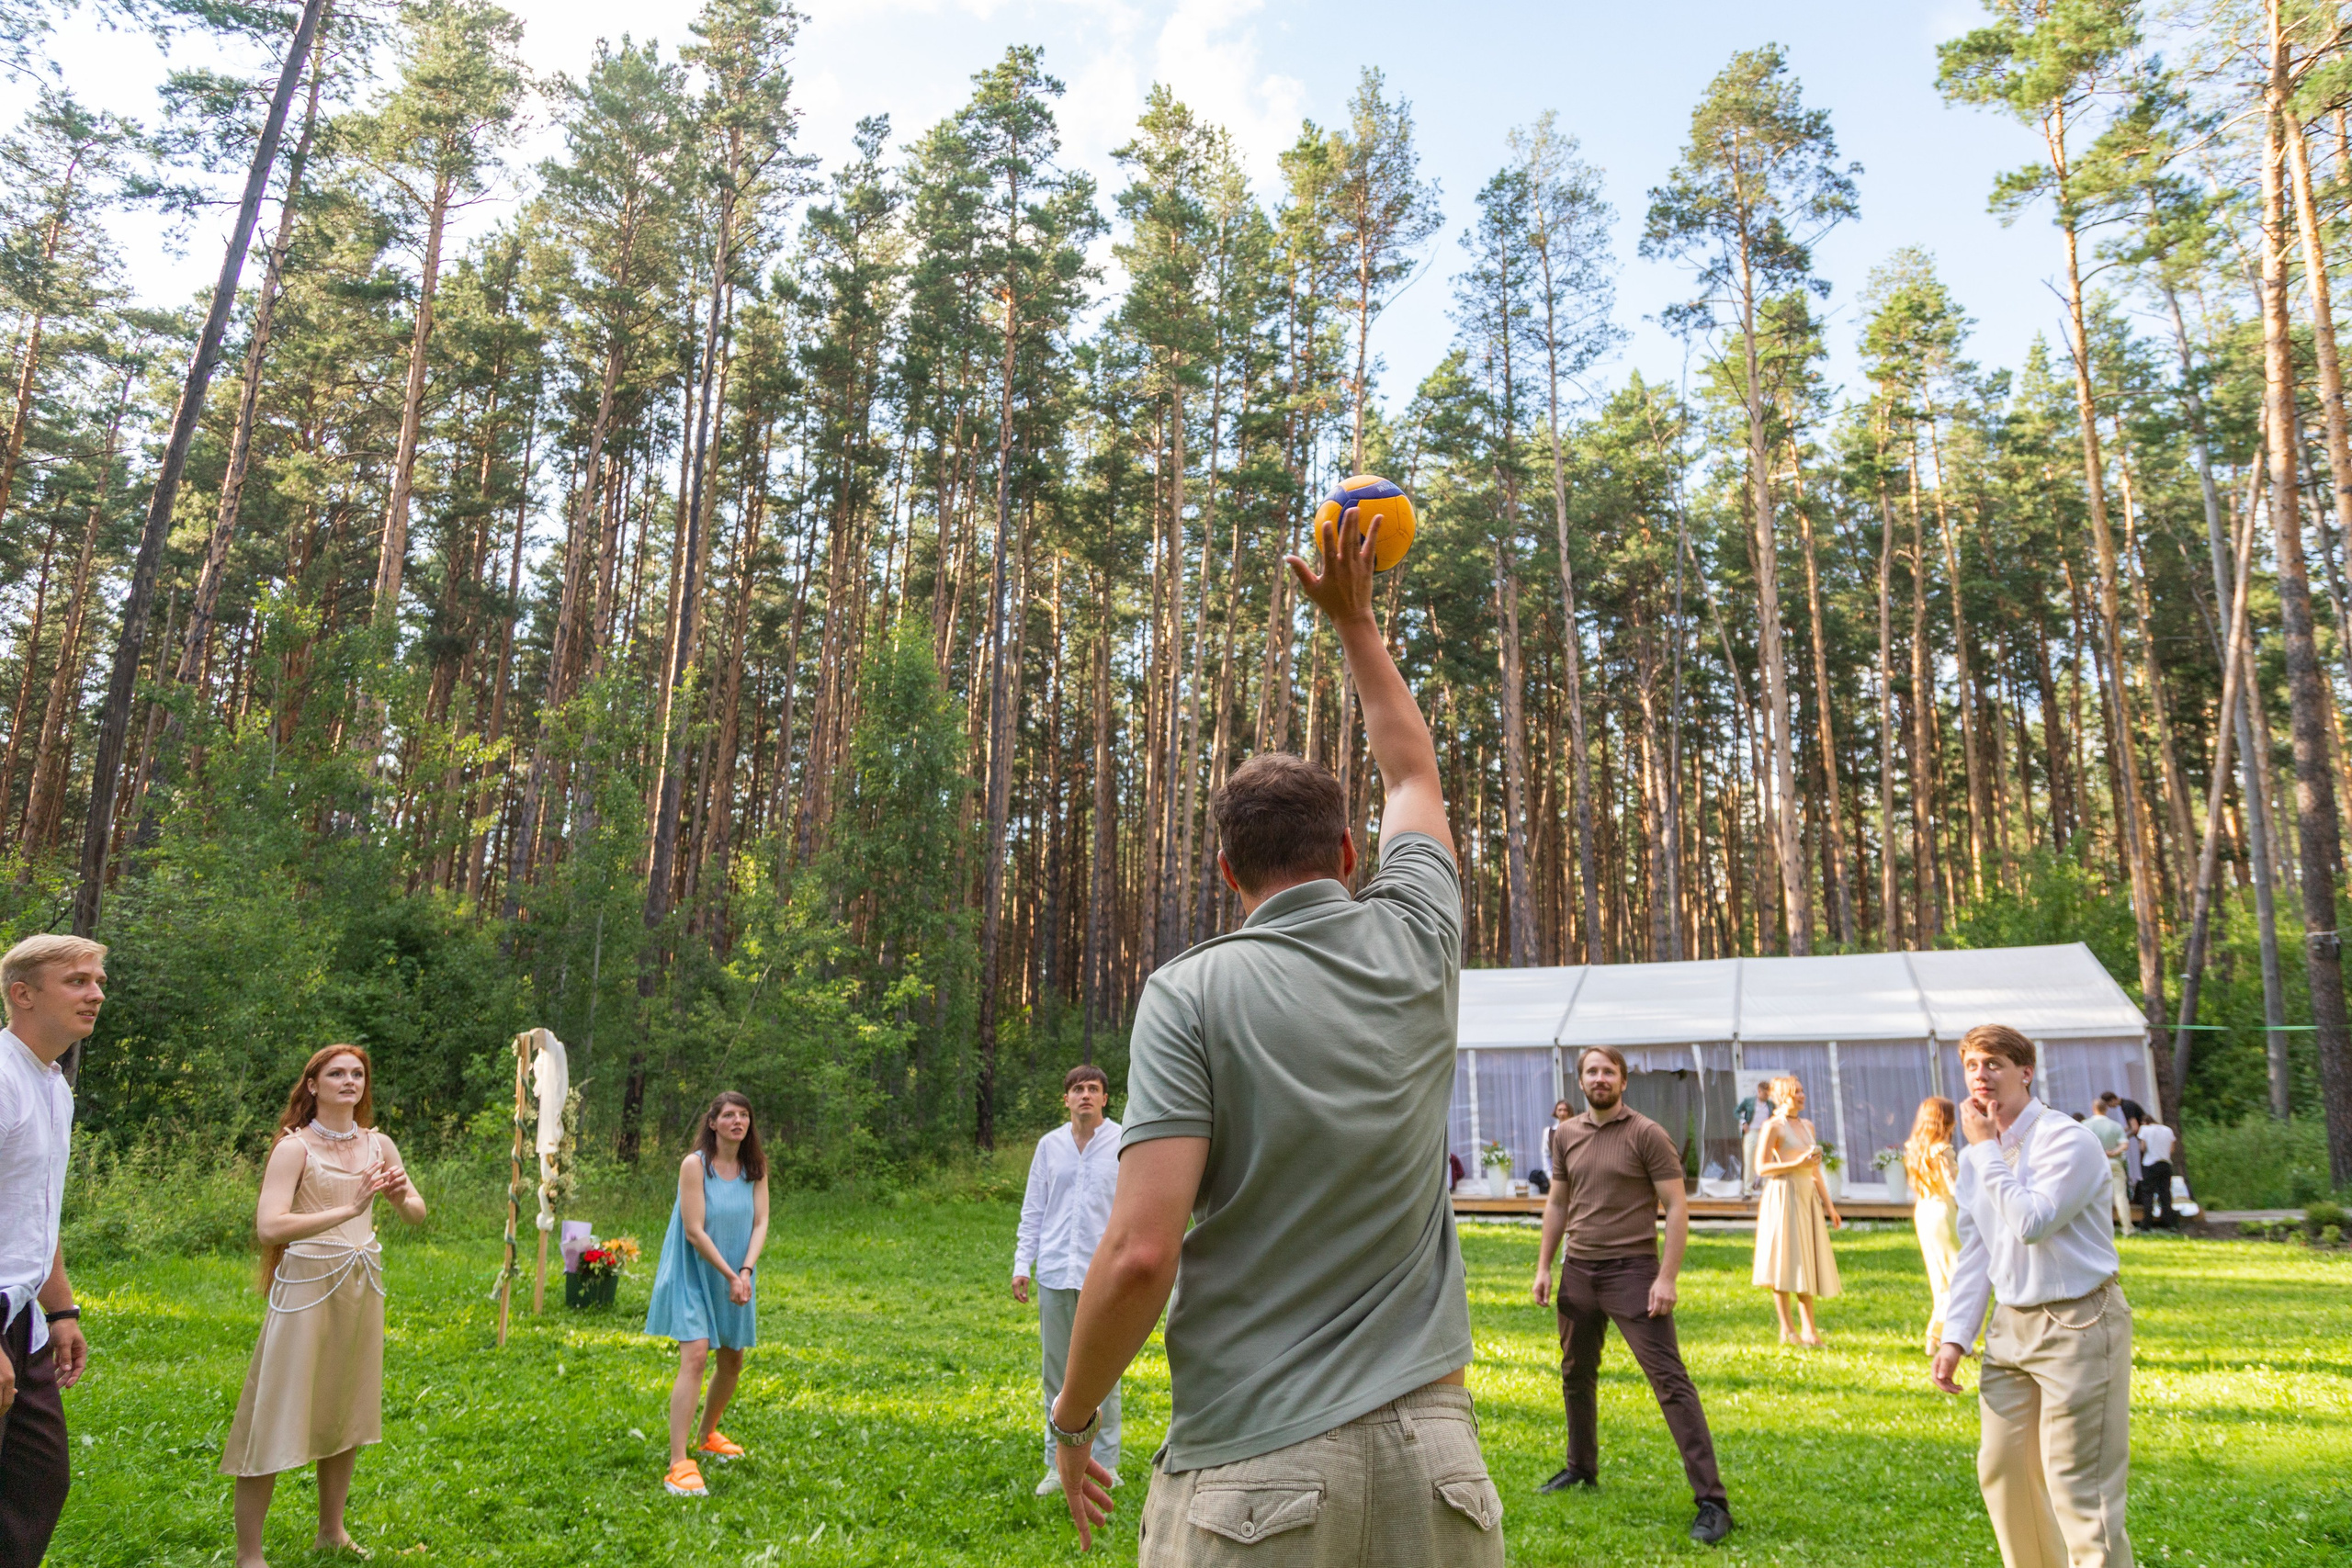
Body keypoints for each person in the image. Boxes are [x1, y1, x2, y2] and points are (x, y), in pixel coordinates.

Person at [1042, 505, 1502, 1564]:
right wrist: (1355, 627)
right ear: (1348, 850)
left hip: (1256, 1467)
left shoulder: (1189, 994)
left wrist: (1073, 1418)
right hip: (1439, 1465)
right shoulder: (1418, 935)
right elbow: (1413, 775)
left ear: (1225, 873)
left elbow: (1143, 1249)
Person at [1932, 1024, 2131, 1568]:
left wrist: (1983, 1151)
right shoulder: (1977, 1157)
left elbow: (2030, 1222)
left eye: (1994, 1064)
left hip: (2080, 1324)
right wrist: (1956, 1335)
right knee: (2002, 1472)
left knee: (2079, 1488)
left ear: (2026, 1071)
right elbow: (1977, 1250)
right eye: (1972, 1066)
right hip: (2009, 1328)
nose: (1981, 1077)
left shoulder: (2066, 1139)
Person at [222, 1044, 428, 1566]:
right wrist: (350, 1206)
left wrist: (402, 1195)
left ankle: (331, 1531)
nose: (349, 1081)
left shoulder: (379, 1144)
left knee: (347, 1409)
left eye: (357, 1073)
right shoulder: (295, 1148)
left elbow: (416, 1215)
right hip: (306, 1287)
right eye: (336, 1073)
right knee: (274, 1410)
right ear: (312, 1084)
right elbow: (270, 1226)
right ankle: (250, 1554)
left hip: (362, 1287)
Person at [1532, 1045, 1732, 1546]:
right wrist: (1543, 1267)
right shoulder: (1567, 1135)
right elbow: (1558, 1202)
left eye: (1609, 1071)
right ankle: (1581, 1468)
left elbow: (1677, 1206)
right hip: (1579, 1271)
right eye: (1591, 1071)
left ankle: (1712, 1501)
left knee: (1670, 1382)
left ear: (1623, 1081)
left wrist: (1666, 1277)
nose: (1600, 1078)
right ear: (1581, 1081)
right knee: (1576, 1373)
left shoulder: (1646, 1133)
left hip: (1633, 1274)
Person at [0, 935, 102, 1565]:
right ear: (23, 993)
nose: (94, 993)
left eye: (97, 980)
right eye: (76, 980)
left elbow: (38, 1209)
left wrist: (60, 1310)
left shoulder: (54, 1084)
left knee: (39, 1476)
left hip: (23, 1318)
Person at [643, 1092, 771, 1498]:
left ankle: (708, 1434)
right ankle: (678, 1463)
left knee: (732, 1358)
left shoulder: (755, 1168)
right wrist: (733, 1274)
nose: (738, 1121)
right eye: (729, 1115)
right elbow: (694, 1231)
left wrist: (745, 1272)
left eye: (744, 1115)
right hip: (695, 1270)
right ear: (712, 1123)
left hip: (736, 1274)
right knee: (697, 1354)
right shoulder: (694, 1166)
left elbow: (761, 1222)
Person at [1014, 1065, 1123, 1496]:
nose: (1085, 1096)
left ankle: (1108, 1463)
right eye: (1077, 1089)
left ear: (1104, 1099)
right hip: (1057, 1271)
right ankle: (1055, 1465)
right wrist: (1023, 1263)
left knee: (1106, 1374)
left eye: (1093, 1089)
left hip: (1105, 1275)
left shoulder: (1121, 1142)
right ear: (1066, 1099)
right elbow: (1033, 1209)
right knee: (1057, 1377)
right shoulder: (1049, 1147)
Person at [1750, 1075, 1842, 1346]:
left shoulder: (1807, 1125)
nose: (1802, 1096)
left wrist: (1830, 1206)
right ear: (1782, 1096)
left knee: (1806, 1260)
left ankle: (1810, 1331)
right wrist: (1795, 1164)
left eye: (1803, 1091)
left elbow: (1814, 1171)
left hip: (1806, 1198)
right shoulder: (1772, 1127)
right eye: (1797, 1092)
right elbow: (1761, 1168)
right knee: (1784, 1261)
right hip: (1783, 1195)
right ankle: (1787, 1330)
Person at [1903, 1097, 1961, 1355]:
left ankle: (1935, 1339)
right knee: (1957, 1275)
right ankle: (1949, 1337)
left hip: (1923, 1210)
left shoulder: (1917, 1148)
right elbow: (1953, 1188)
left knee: (1939, 1277)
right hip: (1942, 1212)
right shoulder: (1941, 1150)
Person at [2128, 1106, 2177, 1229]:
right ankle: (2168, 1221)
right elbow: (2172, 1149)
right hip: (2165, 1163)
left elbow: (2143, 1147)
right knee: (2165, 1192)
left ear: (2144, 1122)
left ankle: (2147, 1222)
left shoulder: (2145, 1129)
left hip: (2150, 1163)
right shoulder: (2168, 1130)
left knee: (2148, 1193)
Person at [2090, 1093, 2132, 1237]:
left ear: (2093, 1109)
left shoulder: (2086, 1125)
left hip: (2095, 1164)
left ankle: (2097, 1229)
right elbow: (2124, 1144)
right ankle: (2127, 1227)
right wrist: (2114, 1152)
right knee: (2120, 1195)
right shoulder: (2115, 1125)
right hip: (2114, 1162)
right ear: (2106, 1109)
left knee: (2094, 1197)